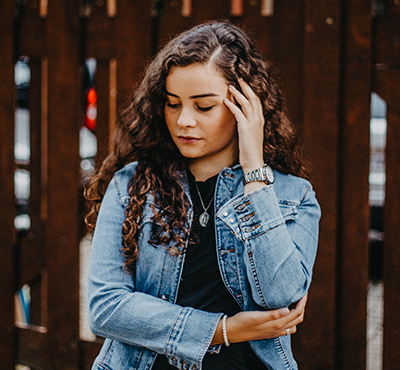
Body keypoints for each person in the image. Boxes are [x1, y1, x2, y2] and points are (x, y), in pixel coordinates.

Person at [85, 21, 321, 370]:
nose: (183, 121)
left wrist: (254, 170)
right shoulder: (131, 186)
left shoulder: (293, 196)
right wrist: (222, 330)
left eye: (204, 106)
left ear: (245, 105)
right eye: (172, 104)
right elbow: (106, 309)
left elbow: (280, 297)